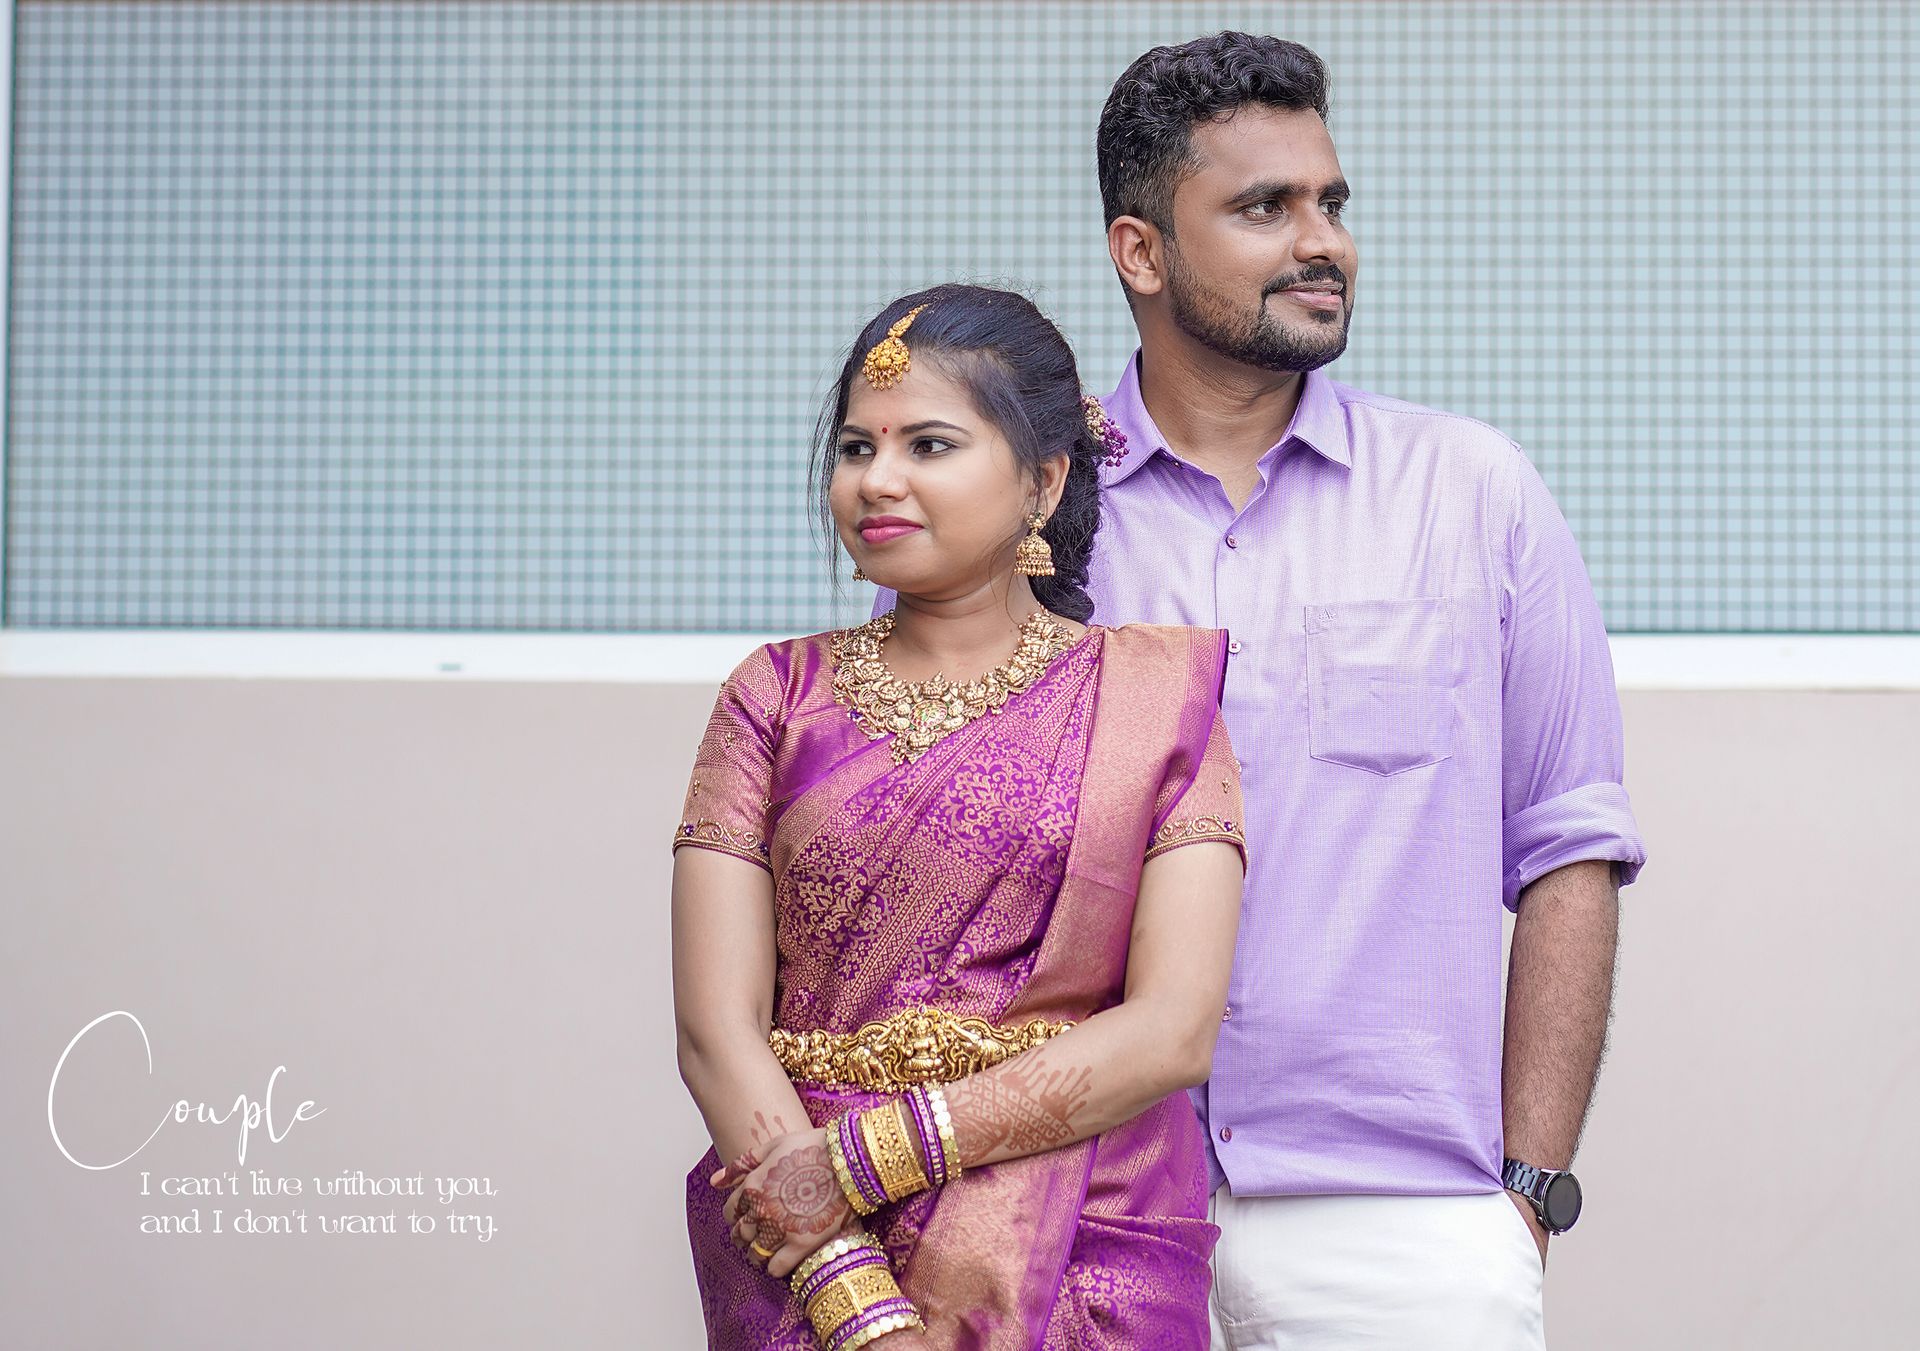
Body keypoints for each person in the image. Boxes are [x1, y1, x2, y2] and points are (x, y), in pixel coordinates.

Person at [1089, 31, 1648, 1351]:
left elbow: (1569, 844)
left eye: (1332, 202)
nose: (1322, 242)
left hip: (1403, 1226)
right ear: (1141, 252)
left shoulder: (1474, 492)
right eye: (1264, 207)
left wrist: (1524, 1194)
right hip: (1090, 1207)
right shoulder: (1033, 514)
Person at [671, 282, 1250, 1350]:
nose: (875, 480)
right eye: (856, 447)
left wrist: (865, 1159)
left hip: (1083, 1244)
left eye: (928, 445)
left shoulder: (1155, 702)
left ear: (1043, 482)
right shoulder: (774, 697)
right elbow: (717, 1030)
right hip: (808, 1254)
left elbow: (1175, 1027)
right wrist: (852, 1294)